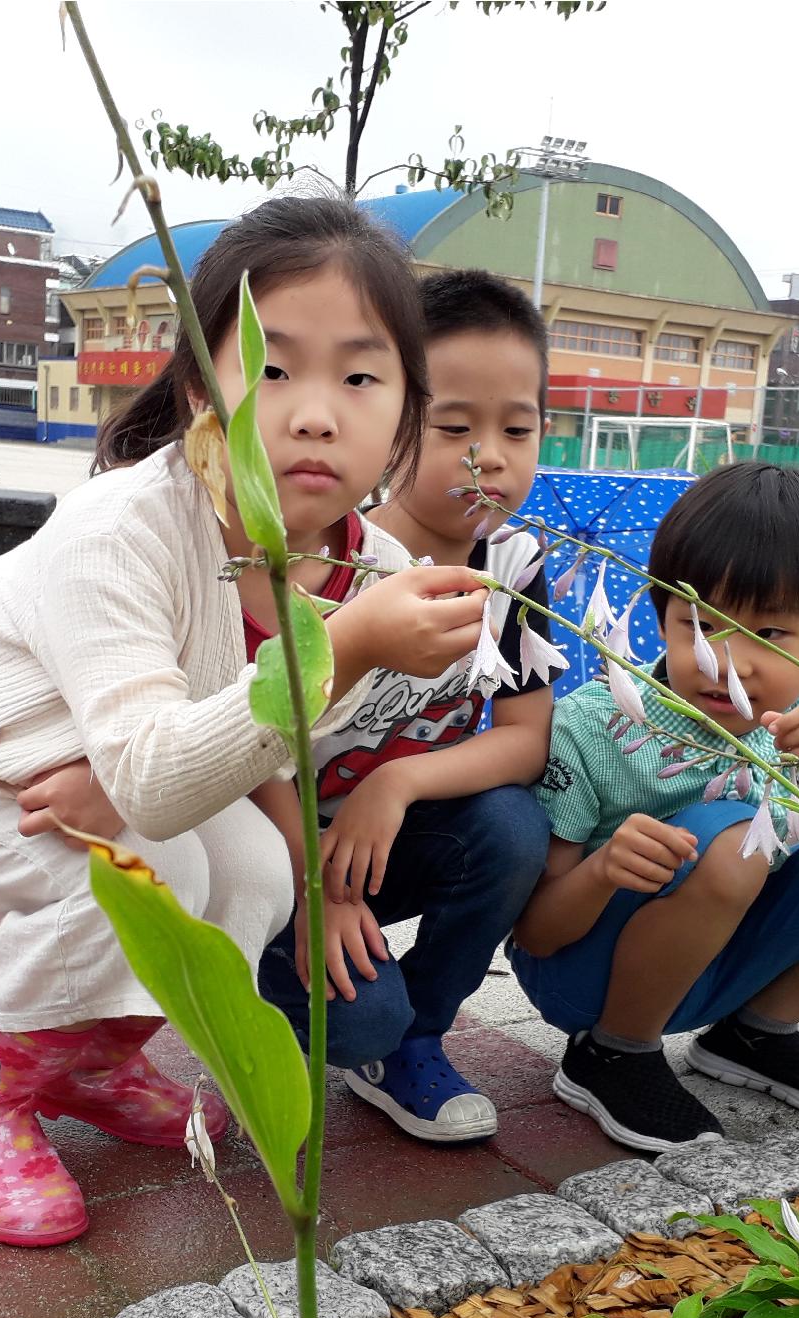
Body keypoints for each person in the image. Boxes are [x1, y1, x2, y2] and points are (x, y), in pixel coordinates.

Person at [0, 198, 491, 1246]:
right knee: (148, 868)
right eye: (272, 370)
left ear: (406, 409)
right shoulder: (124, 524)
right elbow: (158, 778)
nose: (316, 413)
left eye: (360, 377)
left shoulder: (374, 576)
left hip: (109, 744)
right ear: (201, 389)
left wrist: (151, 775)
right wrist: (346, 653)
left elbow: (236, 749)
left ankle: (93, 1063)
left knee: (248, 874)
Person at [509, 464, 799, 1152]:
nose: (727, 663)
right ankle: (613, 1055)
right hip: (587, 982)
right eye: (698, 624)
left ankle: (754, 1035)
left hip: (721, 962)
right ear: (659, 611)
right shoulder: (592, 727)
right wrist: (601, 872)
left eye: (771, 634)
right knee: (726, 843)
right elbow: (535, 936)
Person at [256, 270, 556, 1143]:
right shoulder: (329, 563)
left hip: (384, 843)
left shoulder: (516, 567)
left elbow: (527, 739)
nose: (488, 457)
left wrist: (399, 784)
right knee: (350, 1021)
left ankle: (414, 1041)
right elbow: (252, 745)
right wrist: (314, 872)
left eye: (516, 429)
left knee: (511, 827)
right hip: (280, 851)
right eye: (454, 427)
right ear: (390, 426)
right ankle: (248, 980)